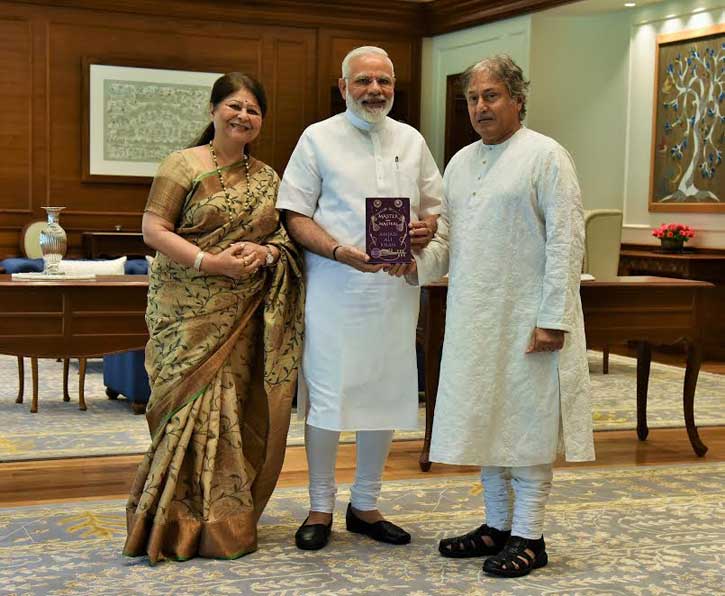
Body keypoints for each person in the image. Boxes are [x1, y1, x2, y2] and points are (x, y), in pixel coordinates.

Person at [397, 55, 595, 577]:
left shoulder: (546, 156)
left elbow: (567, 241)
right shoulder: (460, 163)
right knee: (488, 420)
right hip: (475, 317)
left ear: (517, 99)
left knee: (527, 427)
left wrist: (554, 318)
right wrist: (415, 254)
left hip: (530, 320)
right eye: (473, 98)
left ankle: (530, 536)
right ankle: (497, 526)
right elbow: (448, 244)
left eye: (492, 95)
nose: (481, 107)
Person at [123, 72, 305, 564]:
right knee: (182, 411)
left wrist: (264, 253)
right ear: (213, 111)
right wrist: (211, 263)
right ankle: (169, 520)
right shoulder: (183, 164)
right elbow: (152, 229)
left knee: (233, 411)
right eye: (235, 106)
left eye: (253, 110)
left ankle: (223, 520)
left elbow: (287, 242)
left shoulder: (269, 178)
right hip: (184, 311)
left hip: (240, 316)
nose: (243, 116)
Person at [276, 46, 443, 551]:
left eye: (384, 81)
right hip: (334, 290)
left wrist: (425, 227)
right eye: (364, 80)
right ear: (343, 86)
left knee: (385, 395)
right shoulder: (317, 138)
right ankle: (320, 506)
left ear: (394, 86)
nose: (375, 90)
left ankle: (365, 505)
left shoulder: (411, 141)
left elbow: (437, 209)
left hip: (392, 293)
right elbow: (294, 215)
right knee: (328, 399)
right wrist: (338, 250)